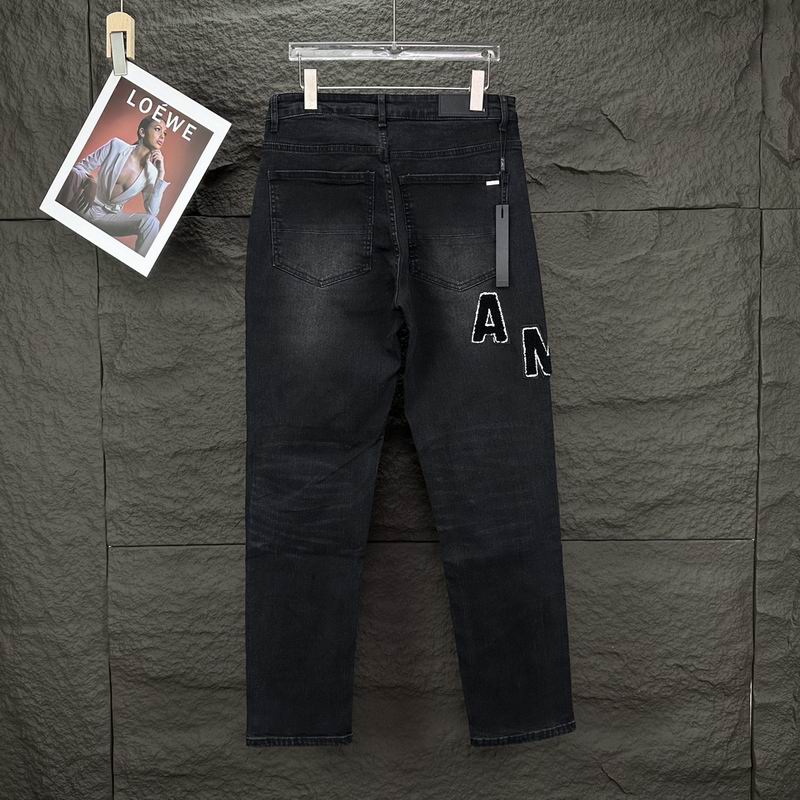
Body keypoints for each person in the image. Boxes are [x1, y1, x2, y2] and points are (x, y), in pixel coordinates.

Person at [57, 116, 170, 255]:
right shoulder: (116, 146)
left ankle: (135, 264)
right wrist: (89, 181)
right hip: (85, 204)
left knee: (152, 223)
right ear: (142, 132)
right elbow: (79, 168)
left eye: (165, 133)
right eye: (158, 129)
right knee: (73, 174)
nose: (162, 136)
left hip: (109, 218)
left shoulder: (152, 173)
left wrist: (161, 174)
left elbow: (152, 211)